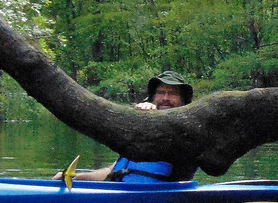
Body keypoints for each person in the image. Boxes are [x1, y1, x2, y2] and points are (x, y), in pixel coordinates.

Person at [53, 71, 197, 183]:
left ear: (183, 101)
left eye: (172, 93)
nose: (165, 98)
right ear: (153, 98)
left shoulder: (187, 135)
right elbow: (115, 170)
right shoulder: (139, 134)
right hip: (118, 194)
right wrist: (76, 178)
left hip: (154, 202)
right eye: (160, 92)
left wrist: (152, 118)